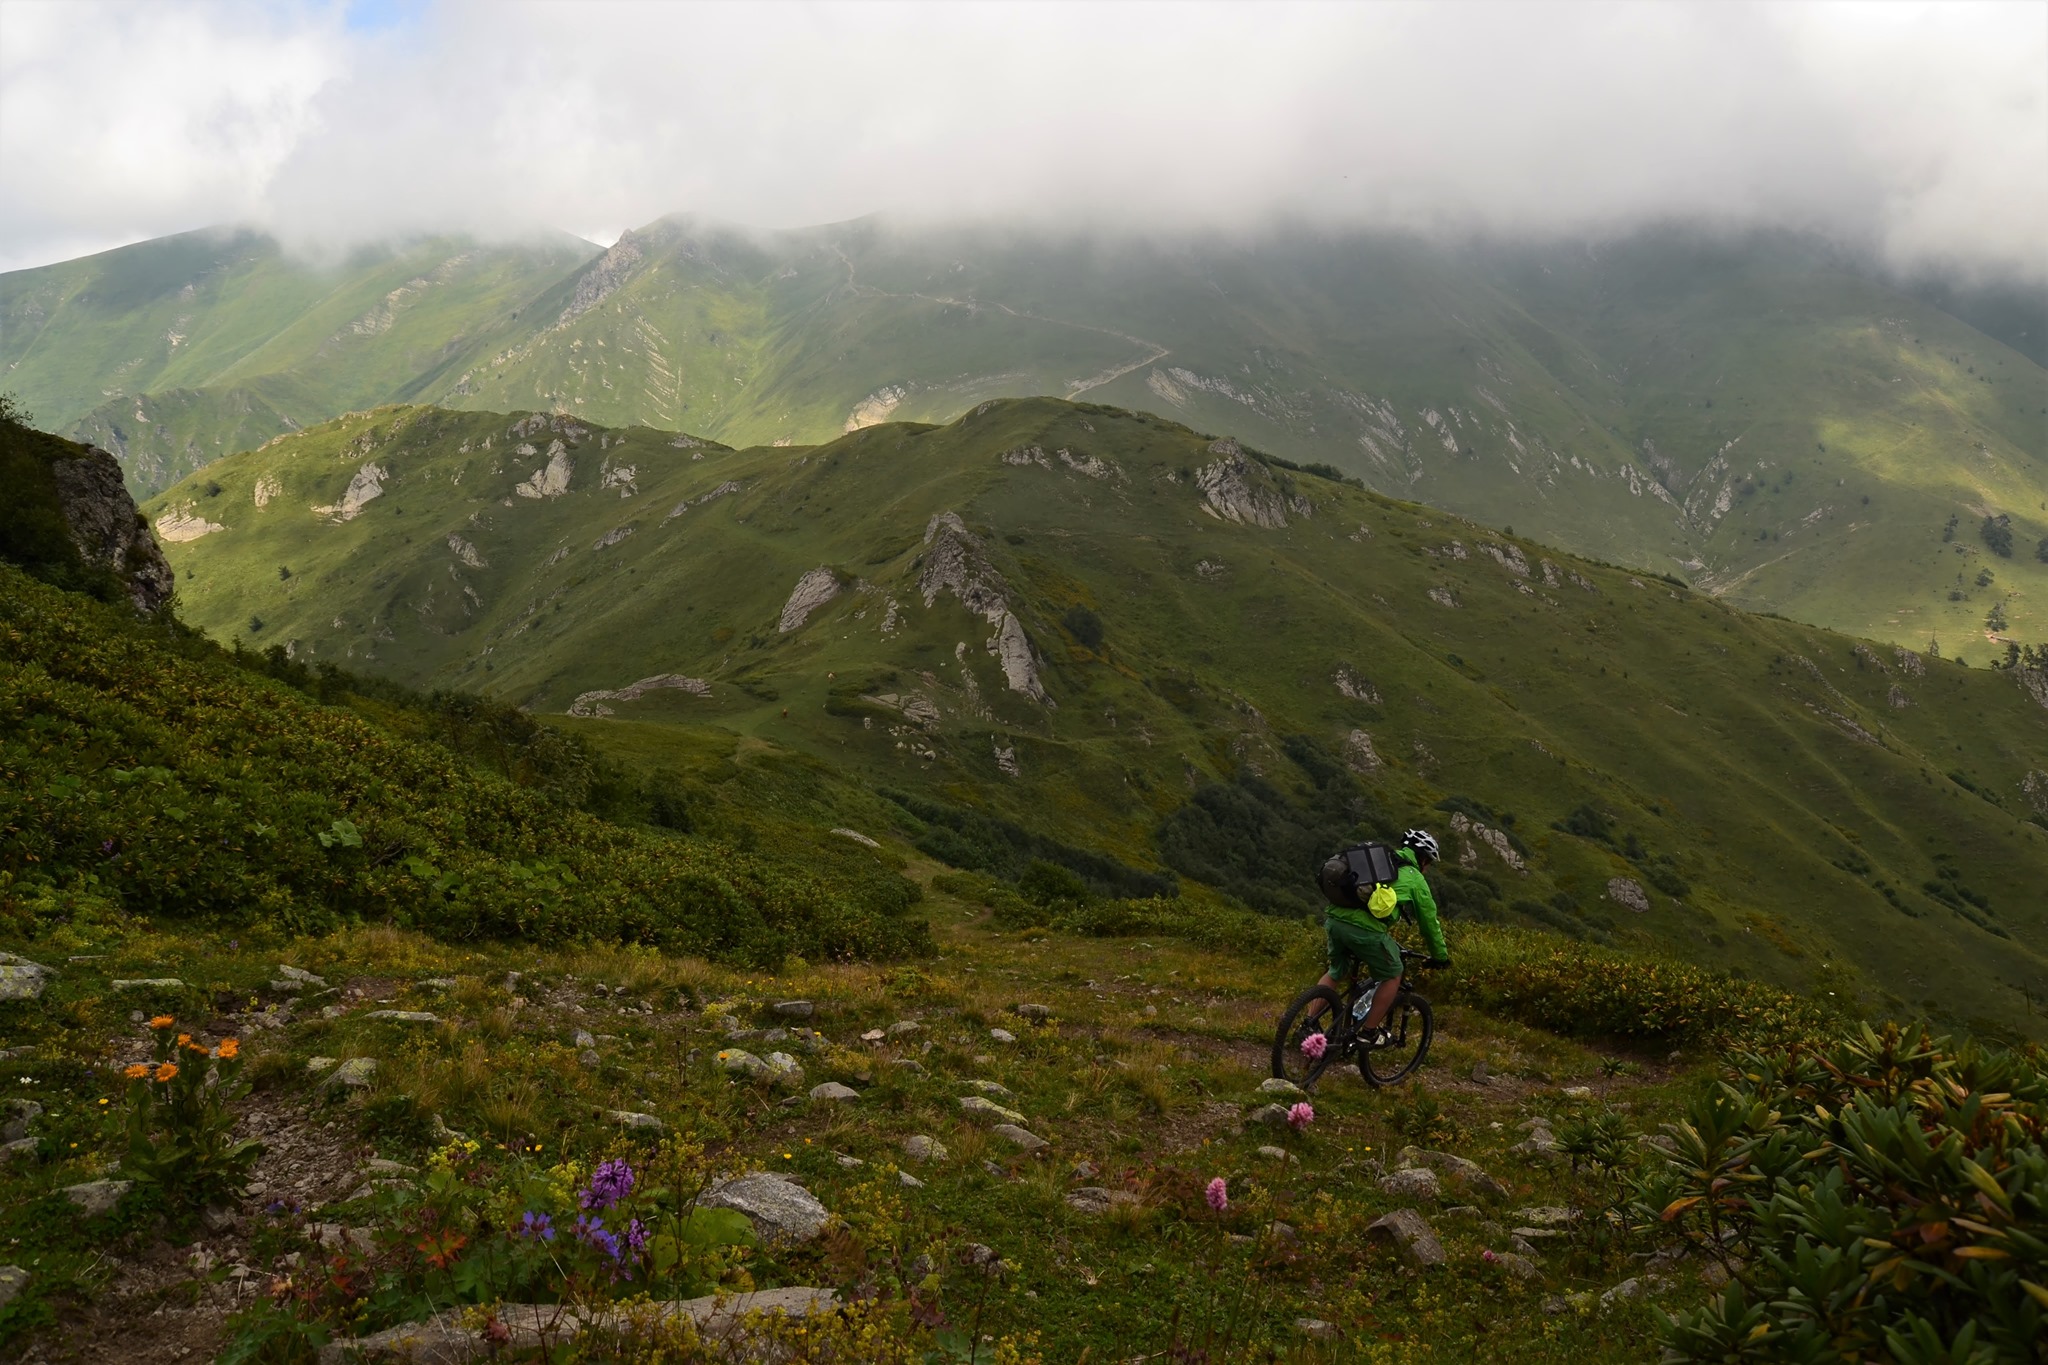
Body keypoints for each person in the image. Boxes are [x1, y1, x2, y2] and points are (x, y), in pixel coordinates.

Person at [1318, 829, 1452, 1044]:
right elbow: (1429, 924)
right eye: (1429, 864)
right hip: (1366, 931)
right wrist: (1440, 956)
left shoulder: (1378, 862)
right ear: (1424, 859)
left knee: (1336, 971)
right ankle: (1368, 1033)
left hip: (1335, 920)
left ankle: (1308, 1024)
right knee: (1393, 974)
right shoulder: (1415, 879)